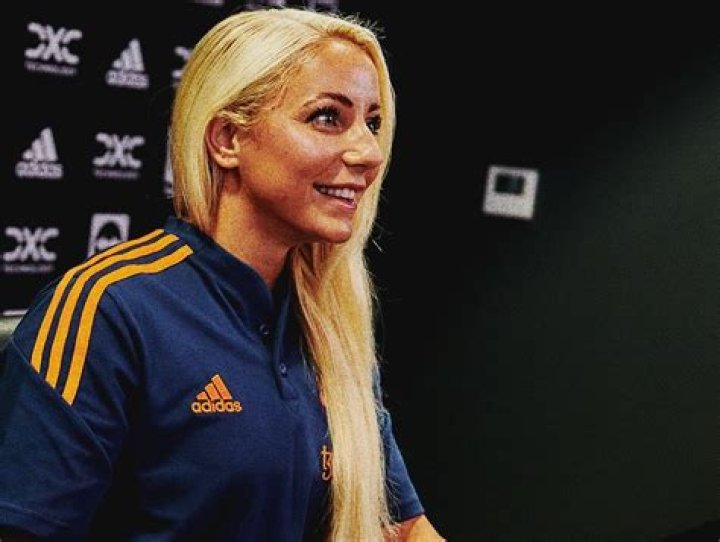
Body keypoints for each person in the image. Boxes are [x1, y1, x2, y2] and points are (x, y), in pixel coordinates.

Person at [0, 7, 445, 542]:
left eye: (372, 123)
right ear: (228, 139)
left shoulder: (330, 328)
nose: (369, 152)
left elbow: (404, 529)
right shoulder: (109, 311)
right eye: (328, 117)